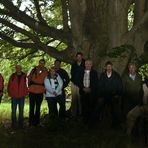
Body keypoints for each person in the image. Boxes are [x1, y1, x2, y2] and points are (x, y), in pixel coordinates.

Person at [99, 61, 123, 128]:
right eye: (107, 67)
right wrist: (101, 95)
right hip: (104, 96)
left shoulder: (116, 75)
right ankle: (97, 122)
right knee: (99, 105)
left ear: (112, 67)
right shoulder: (102, 75)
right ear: (105, 67)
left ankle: (116, 124)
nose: (109, 68)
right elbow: (100, 86)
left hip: (113, 96)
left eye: (110, 67)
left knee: (115, 108)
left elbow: (120, 86)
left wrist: (117, 94)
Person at [27, 59, 48, 126]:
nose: (41, 64)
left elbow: (47, 81)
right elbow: (28, 77)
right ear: (39, 63)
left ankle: (37, 122)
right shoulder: (33, 69)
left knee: (38, 107)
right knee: (32, 107)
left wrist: (45, 90)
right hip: (32, 91)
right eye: (40, 63)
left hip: (40, 91)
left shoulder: (46, 71)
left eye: (43, 63)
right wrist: (28, 87)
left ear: (44, 64)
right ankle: (31, 122)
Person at [78, 59, 98, 124]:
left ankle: (91, 122)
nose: (88, 65)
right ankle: (84, 121)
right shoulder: (81, 72)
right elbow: (79, 81)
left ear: (92, 65)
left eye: (89, 64)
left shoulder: (94, 73)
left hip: (91, 93)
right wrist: (83, 88)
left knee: (91, 107)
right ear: (85, 64)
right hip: (83, 92)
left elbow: (96, 83)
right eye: (87, 64)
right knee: (83, 107)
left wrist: (90, 88)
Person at [70, 52, 85, 118]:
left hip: (81, 84)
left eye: (80, 56)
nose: (79, 58)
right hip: (74, 83)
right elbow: (72, 73)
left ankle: (81, 113)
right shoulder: (74, 64)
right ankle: (73, 114)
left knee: (80, 99)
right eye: (77, 57)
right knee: (74, 99)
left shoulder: (85, 64)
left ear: (82, 57)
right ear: (76, 57)